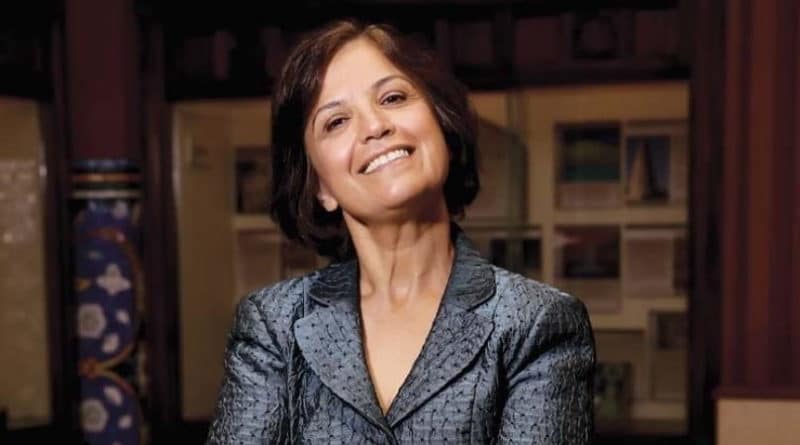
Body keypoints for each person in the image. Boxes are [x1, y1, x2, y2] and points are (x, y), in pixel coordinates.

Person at [207, 18, 595, 444]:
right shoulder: (272, 326)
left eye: (392, 97)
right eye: (336, 122)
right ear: (319, 185)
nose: (375, 126)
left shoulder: (537, 323)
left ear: (442, 128)